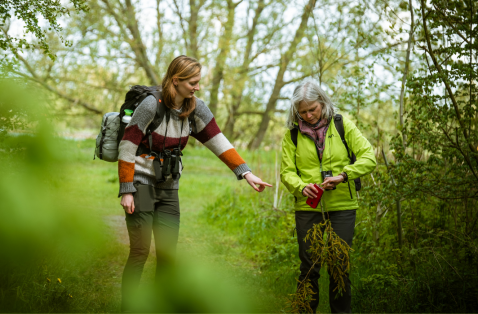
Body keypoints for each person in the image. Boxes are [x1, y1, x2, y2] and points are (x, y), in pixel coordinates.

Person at [117, 55, 271, 312]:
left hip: (168, 189)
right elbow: (127, 146)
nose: (197, 87)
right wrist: (127, 189)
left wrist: (245, 172)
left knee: (167, 255)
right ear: (176, 81)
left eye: (198, 82)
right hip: (142, 183)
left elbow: (218, 140)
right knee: (140, 252)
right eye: (193, 82)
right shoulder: (149, 106)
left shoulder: (195, 108)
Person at [280, 80, 376, 313]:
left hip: (342, 205)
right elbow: (287, 172)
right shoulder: (292, 135)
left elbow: (369, 157)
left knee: (339, 266)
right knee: (309, 267)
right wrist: (301, 187)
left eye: (312, 109)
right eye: (302, 111)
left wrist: (344, 175)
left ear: (322, 102)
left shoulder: (343, 125)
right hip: (307, 207)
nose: (308, 115)